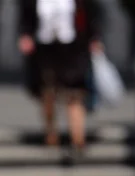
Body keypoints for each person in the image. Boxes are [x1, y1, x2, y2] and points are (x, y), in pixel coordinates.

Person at [18, 0, 103, 161]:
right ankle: (51, 135)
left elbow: (92, 14)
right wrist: (26, 35)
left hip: (73, 50)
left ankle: (78, 140)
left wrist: (94, 38)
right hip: (45, 51)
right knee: (47, 94)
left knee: (74, 95)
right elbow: (26, 17)